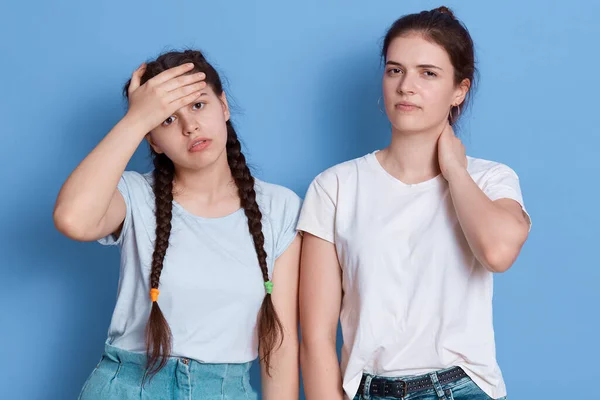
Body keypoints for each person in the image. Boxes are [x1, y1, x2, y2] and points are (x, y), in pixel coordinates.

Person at [298, 7, 531, 400]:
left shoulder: (491, 179)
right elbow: (316, 338)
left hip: (463, 388)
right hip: (368, 391)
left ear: (460, 89)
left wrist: (455, 169)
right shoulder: (335, 187)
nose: (406, 86)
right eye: (395, 70)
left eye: (428, 73)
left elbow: (498, 252)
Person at [54, 50, 301, 400]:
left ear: (223, 106)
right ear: (151, 139)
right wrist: (136, 118)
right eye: (167, 119)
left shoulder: (279, 207)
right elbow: (72, 219)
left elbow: (280, 343)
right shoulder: (134, 195)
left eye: (198, 106)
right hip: (128, 388)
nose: (190, 127)